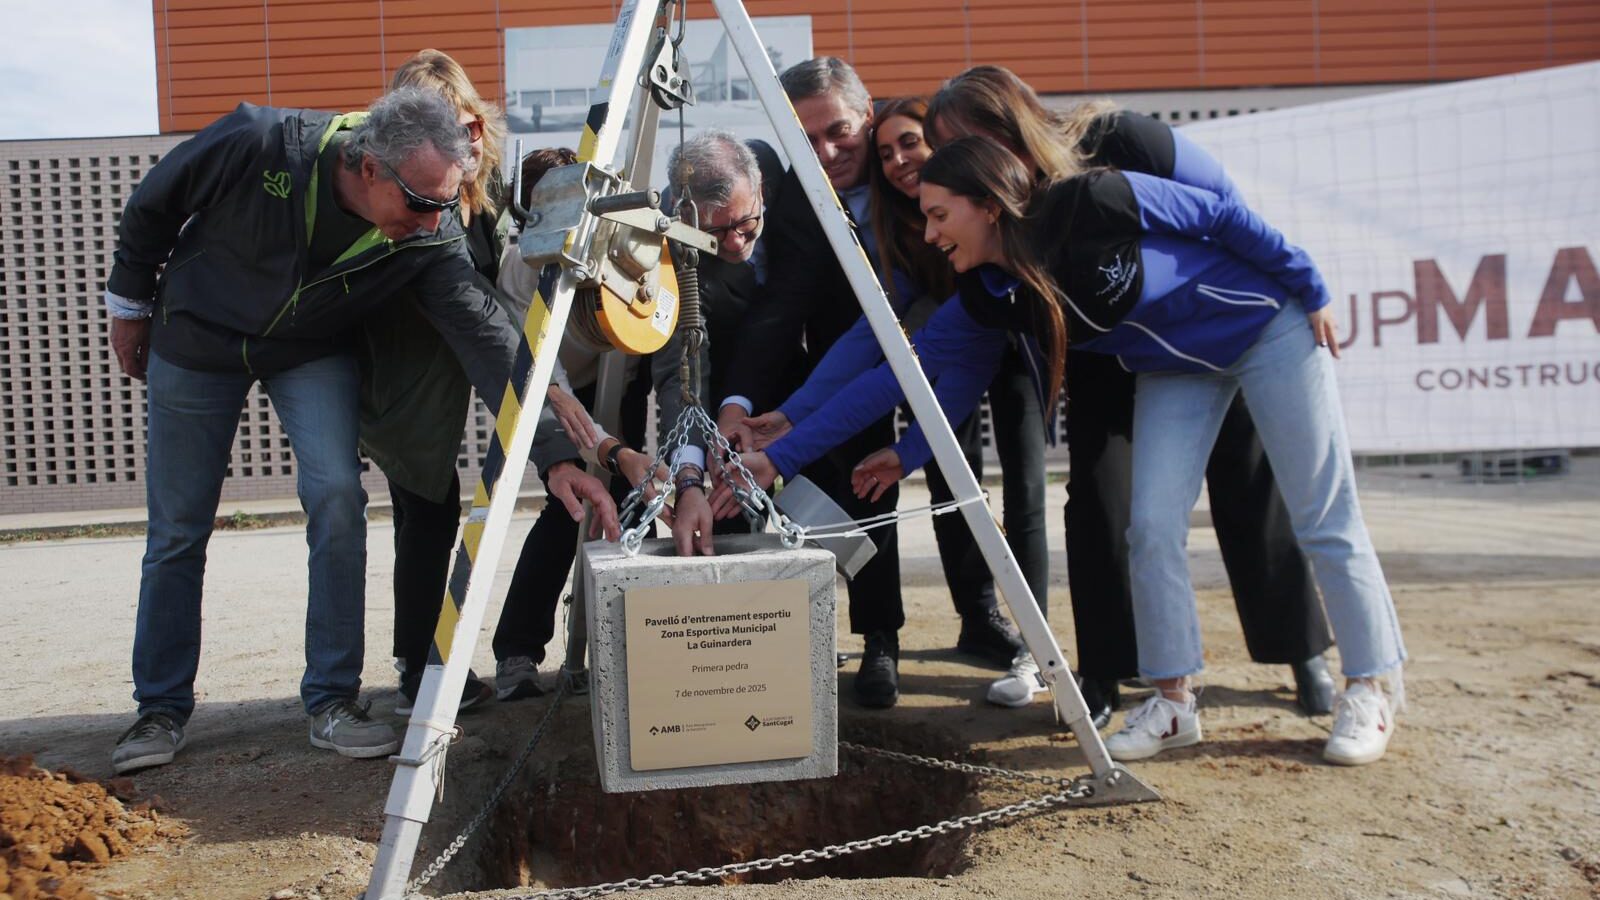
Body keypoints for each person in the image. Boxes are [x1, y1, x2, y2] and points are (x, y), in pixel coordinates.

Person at [764, 135, 1409, 765]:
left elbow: (1218, 214)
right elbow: (902, 378)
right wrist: (791, 456)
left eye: (939, 215)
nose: (930, 235)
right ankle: (1173, 703)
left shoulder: (1093, 199)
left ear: (988, 203)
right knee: (1150, 527)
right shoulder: (989, 295)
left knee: (1322, 516)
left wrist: (1310, 285)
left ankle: (1370, 687)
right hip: (1177, 370)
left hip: (1266, 327)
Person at [104, 87, 528, 773]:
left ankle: (332, 700)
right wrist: (129, 306)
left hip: (308, 346)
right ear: (369, 170)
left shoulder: (428, 229)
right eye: (421, 203)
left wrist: (560, 444)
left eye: (446, 204)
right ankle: (158, 709)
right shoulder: (258, 142)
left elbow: (484, 335)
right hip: (196, 341)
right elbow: (155, 203)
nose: (433, 222)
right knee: (178, 526)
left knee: (337, 495)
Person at [920, 66, 1337, 720]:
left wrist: (1292, 290)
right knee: (1096, 495)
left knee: (1246, 474)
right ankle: (1106, 672)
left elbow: (1222, 202)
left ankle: (1299, 649)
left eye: (963, 140)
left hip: (1197, 326)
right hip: (1098, 348)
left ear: (1009, 124)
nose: (955, 160)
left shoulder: (1118, 138)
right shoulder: (994, 213)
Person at [731, 97, 1035, 672]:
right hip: (936, 342)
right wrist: (796, 416)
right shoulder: (875, 219)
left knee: (977, 485)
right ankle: (884, 639)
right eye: (889, 151)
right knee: (879, 477)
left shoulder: (983, 204)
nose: (898, 160)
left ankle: (996, 622)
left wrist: (790, 448)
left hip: (990, 339)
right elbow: (874, 337)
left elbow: (906, 355)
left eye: (909, 144)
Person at [358, 50, 617, 716]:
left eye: (463, 123)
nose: (457, 141)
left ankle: (435, 662)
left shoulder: (488, 186)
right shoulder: (405, 190)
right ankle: (420, 668)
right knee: (428, 507)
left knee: (467, 501)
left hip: (483, 353)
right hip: (418, 372)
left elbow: (504, 284)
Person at [710, 57, 907, 709]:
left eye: (839, 132)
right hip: (841, 368)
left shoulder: (907, 172)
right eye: (806, 138)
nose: (826, 151)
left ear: (868, 116)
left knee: (963, 494)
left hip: (938, 346)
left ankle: (984, 622)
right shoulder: (794, 198)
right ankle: (876, 638)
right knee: (857, 484)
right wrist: (738, 401)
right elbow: (781, 307)